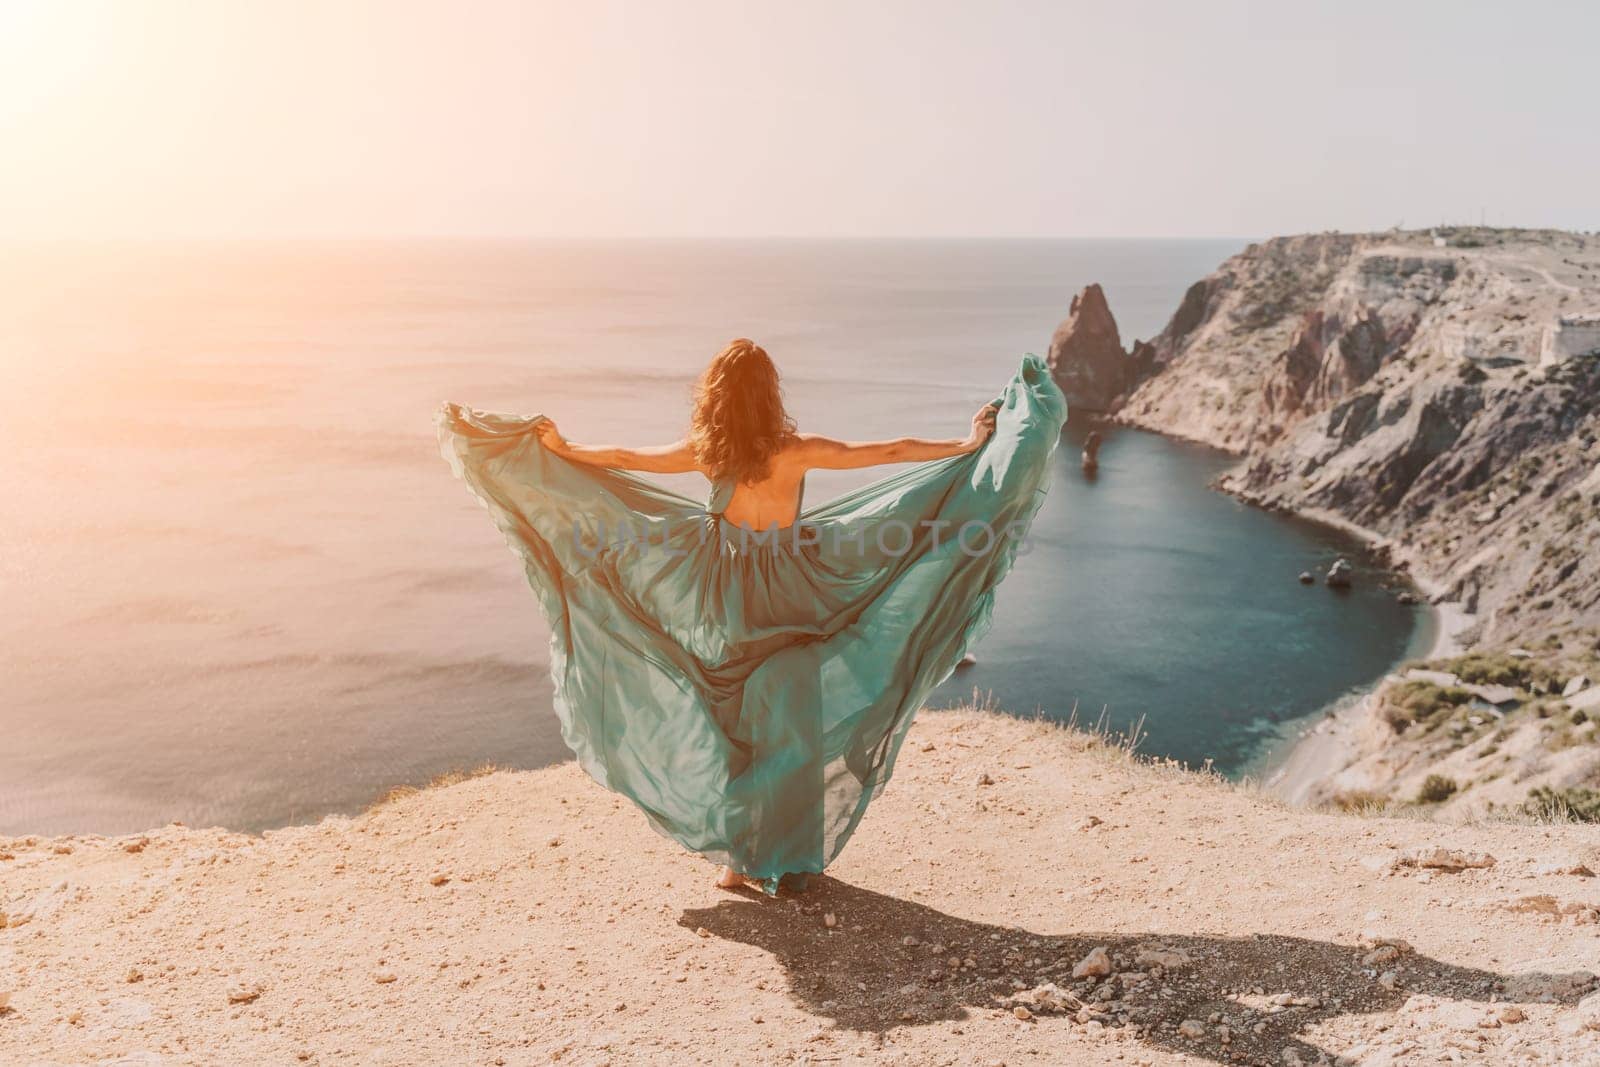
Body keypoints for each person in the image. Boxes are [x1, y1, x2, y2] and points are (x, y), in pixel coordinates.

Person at [437, 338, 1066, 894]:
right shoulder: (796, 451)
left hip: (727, 598)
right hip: (798, 589)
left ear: (716, 398)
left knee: (737, 724)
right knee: (793, 717)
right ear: (769, 397)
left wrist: (562, 447)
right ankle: (793, 857)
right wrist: (965, 444)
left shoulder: (707, 454)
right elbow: (890, 450)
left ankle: (743, 861)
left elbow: (625, 459)